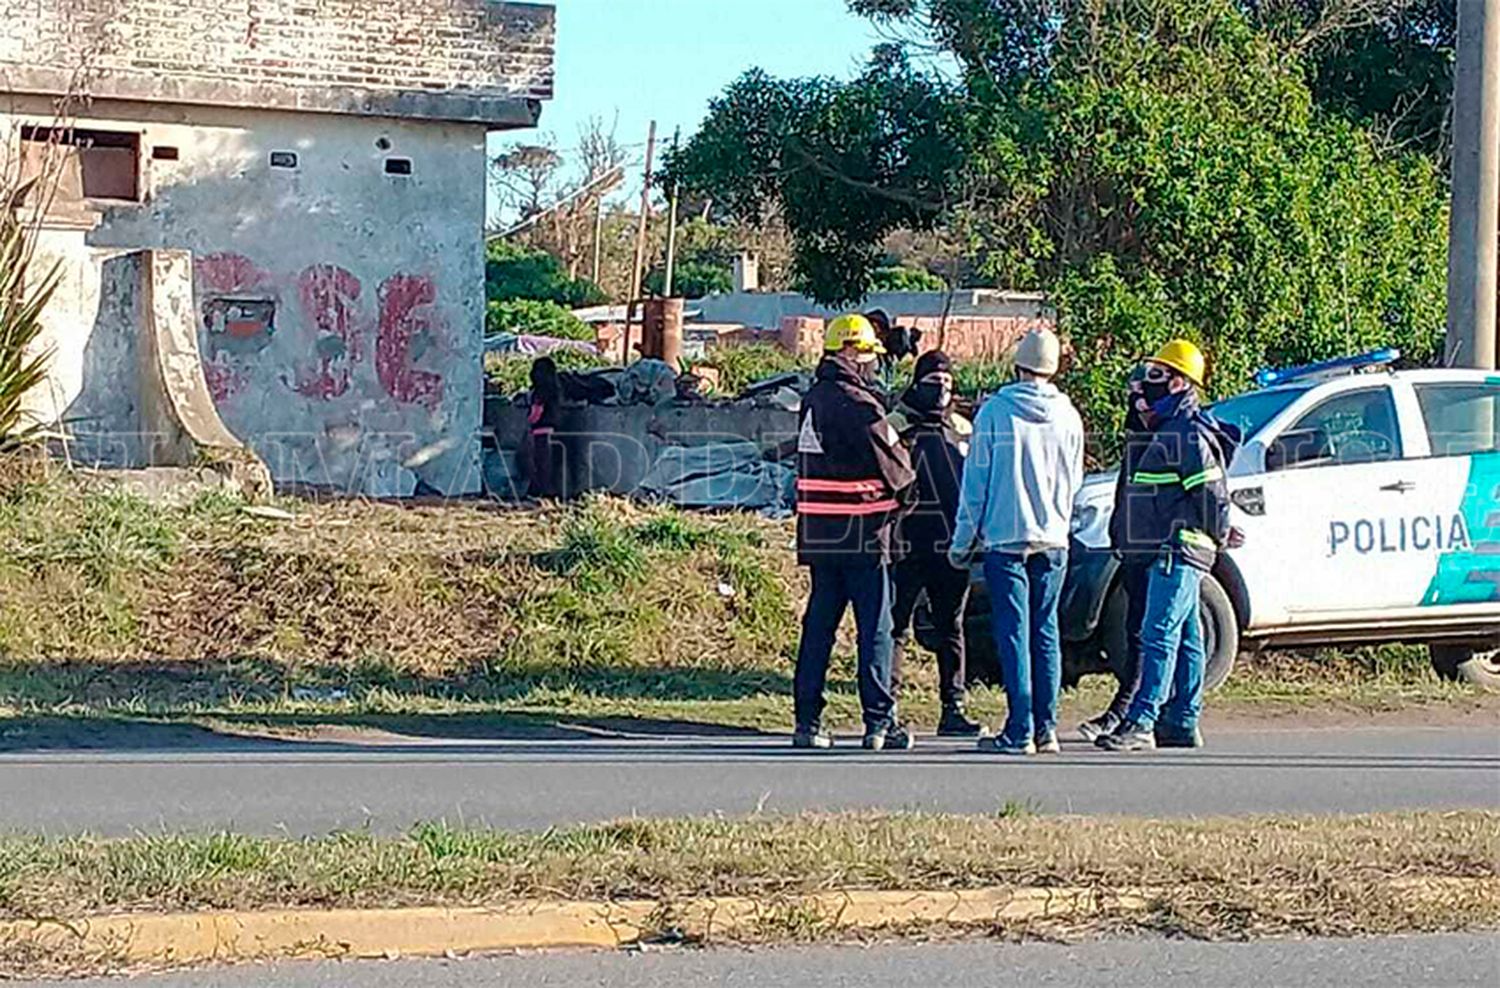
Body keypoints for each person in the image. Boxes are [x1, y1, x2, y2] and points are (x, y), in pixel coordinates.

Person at [1098, 340, 1241, 753]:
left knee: (1158, 632)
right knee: (1188, 636)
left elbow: (1212, 496)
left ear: (1181, 383)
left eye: (1158, 375)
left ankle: (1142, 722)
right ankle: (1181, 720)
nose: (1147, 382)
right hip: (1171, 548)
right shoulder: (1165, 431)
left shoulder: (1185, 434)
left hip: (1175, 549)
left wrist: (1217, 533)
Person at [950, 329, 1084, 756]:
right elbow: (1075, 479)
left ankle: (1018, 730)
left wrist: (962, 539)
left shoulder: (996, 412)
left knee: (1014, 633)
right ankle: (1046, 729)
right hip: (1054, 537)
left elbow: (977, 482)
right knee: (1047, 632)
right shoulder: (1069, 415)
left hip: (1006, 538)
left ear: (1018, 364)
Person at [793, 313, 917, 752]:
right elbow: (898, 471)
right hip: (865, 537)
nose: (871, 363)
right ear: (848, 352)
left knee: (819, 630)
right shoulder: (860, 405)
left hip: (821, 538)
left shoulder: (814, 399)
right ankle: (879, 724)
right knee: (876, 631)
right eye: (866, 354)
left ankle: (806, 722)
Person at [888, 350, 984, 737]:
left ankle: (953, 707)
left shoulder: (962, 428)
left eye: (947, 383)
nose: (941, 390)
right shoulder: (895, 424)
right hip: (905, 543)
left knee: (951, 626)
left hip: (951, 543)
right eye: (933, 382)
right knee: (894, 627)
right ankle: (887, 706)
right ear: (916, 383)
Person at [1078, 364, 1153, 742]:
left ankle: (1132, 712)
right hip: (1134, 543)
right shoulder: (1139, 433)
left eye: (1145, 392)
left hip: (1161, 547)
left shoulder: (1171, 433)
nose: (1138, 402)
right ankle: (1164, 715)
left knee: (1149, 633)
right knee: (1148, 631)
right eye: (1133, 393)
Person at [525, 356, 563, 500]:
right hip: (555, 432)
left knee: (540, 466)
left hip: (540, 433)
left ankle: (541, 494)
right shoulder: (555, 390)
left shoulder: (539, 393)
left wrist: (528, 423)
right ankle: (549, 495)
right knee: (550, 467)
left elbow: (536, 414)